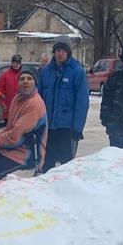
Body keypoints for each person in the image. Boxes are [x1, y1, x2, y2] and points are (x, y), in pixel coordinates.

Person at [0, 69, 47, 182]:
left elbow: (15, 137)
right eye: (22, 79)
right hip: (11, 150)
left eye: (29, 79)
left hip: (26, 154)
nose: (25, 82)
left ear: (35, 83)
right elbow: (10, 127)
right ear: (17, 84)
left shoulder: (34, 104)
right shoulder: (17, 99)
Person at [37, 40, 89, 170]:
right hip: (49, 126)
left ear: (68, 53)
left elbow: (82, 102)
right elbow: (39, 98)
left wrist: (78, 128)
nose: (60, 54)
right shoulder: (45, 72)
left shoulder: (77, 71)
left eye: (63, 51)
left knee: (66, 166)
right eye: (57, 51)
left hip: (67, 127)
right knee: (47, 163)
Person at [0, 54, 23, 123]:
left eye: (17, 63)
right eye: (13, 63)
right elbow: (0, 91)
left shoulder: (23, 75)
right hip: (8, 110)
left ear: (20, 64)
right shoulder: (4, 76)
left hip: (21, 110)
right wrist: (3, 105)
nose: (15, 65)